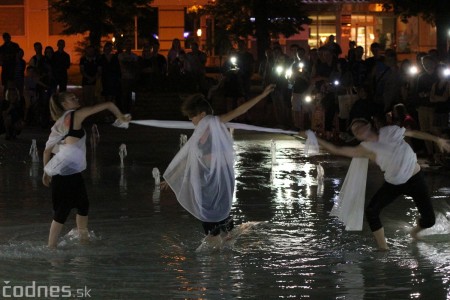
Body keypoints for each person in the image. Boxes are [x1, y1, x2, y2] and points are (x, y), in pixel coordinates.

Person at [300, 118, 450, 250]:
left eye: (359, 126)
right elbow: (336, 149)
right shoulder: (365, 148)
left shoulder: (390, 132)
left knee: (429, 220)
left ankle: (414, 233)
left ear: (369, 125)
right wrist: (313, 136)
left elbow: (414, 133)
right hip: (394, 184)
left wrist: (437, 140)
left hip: (415, 179)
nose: (358, 130)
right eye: (355, 131)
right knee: (371, 211)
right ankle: (383, 248)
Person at [161, 84, 275, 247]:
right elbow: (188, 158)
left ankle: (221, 254)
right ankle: (221, 250)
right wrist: (171, 177)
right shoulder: (198, 133)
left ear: (202, 114)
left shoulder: (216, 123)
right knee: (209, 216)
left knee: (219, 217)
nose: (190, 120)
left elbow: (240, 110)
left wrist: (262, 95)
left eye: (192, 116)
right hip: (205, 180)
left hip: (220, 178)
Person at [42, 92, 131, 249]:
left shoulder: (61, 122)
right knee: (63, 209)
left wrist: (45, 171)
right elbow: (108, 104)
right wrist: (121, 117)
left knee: (83, 204)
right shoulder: (76, 115)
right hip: (64, 173)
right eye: (72, 98)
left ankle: (83, 238)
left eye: (76, 97)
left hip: (68, 171)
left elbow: (47, 150)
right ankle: (51, 247)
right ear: (64, 104)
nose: (77, 99)